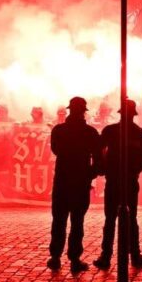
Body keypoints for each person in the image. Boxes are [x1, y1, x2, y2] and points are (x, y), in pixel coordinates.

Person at [97, 98, 142, 282]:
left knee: (112, 219)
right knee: (129, 219)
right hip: (127, 181)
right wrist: (133, 170)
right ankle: (133, 255)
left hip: (117, 181)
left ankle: (107, 256)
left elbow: (98, 151)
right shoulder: (139, 134)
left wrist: (105, 168)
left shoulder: (111, 131)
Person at [48, 96, 98, 272]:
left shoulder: (59, 130)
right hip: (80, 182)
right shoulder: (90, 132)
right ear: (83, 111)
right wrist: (90, 174)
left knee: (59, 220)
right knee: (77, 222)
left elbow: (56, 150)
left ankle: (55, 257)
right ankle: (74, 258)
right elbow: (98, 159)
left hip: (62, 181)